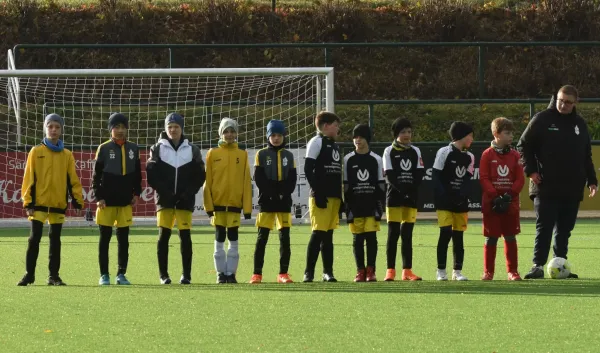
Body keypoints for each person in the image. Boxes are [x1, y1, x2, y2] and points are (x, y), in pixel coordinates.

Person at [517, 85, 597, 279]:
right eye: (561, 100)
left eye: (568, 102)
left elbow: (586, 155)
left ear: (575, 103)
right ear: (556, 98)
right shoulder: (542, 119)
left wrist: (592, 180)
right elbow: (523, 146)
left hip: (572, 186)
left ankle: (560, 263)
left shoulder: (579, 124)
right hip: (546, 185)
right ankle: (537, 266)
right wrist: (531, 171)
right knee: (544, 227)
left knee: (564, 230)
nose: (563, 105)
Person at [17, 113, 83, 286]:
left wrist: (77, 200)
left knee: (55, 240)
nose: (53, 130)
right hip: (38, 205)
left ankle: (54, 276)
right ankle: (29, 275)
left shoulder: (67, 154)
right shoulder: (36, 151)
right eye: (50, 126)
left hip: (57, 204)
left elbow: (72, 180)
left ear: (61, 130)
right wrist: (28, 202)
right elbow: (28, 178)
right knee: (34, 239)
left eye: (57, 127)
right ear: (45, 128)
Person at [146, 113, 205, 285]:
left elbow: (200, 175)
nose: (173, 130)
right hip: (164, 200)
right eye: (170, 126)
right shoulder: (156, 148)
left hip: (185, 200)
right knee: (163, 236)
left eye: (176, 127)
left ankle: (186, 275)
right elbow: (152, 174)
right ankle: (163, 275)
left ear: (182, 128)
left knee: (185, 236)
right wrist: (165, 192)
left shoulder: (192, 149)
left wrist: (187, 193)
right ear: (165, 128)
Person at [93, 113, 142, 286]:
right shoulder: (104, 148)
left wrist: (137, 193)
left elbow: (137, 174)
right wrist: (99, 197)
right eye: (116, 127)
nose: (120, 130)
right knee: (104, 239)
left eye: (123, 127)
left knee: (124, 240)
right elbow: (96, 176)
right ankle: (104, 274)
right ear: (110, 129)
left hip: (125, 202)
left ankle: (121, 274)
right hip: (106, 202)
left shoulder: (134, 148)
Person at [204, 117, 252, 284]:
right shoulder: (212, 154)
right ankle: (220, 274)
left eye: (232, 131)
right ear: (220, 133)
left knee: (233, 239)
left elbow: (246, 181)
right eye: (226, 131)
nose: (229, 134)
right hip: (217, 206)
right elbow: (208, 182)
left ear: (236, 134)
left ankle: (231, 273)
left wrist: (247, 207)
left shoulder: (242, 154)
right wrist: (208, 206)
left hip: (234, 206)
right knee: (219, 238)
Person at [249, 120, 297, 284]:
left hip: (284, 201)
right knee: (262, 237)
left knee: (285, 237)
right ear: (268, 136)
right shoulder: (261, 154)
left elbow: (292, 178)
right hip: (266, 201)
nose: (276, 138)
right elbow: (259, 178)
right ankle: (257, 274)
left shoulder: (289, 156)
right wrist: (271, 193)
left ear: (284, 136)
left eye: (279, 135)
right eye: (273, 135)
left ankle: (283, 273)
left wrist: (283, 193)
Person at [479, 117, 524, 281]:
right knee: (491, 237)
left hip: (510, 203)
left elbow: (520, 179)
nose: (511, 136)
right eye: (507, 133)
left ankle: (512, 271)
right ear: (496, 134)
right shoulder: (486, 154)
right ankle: (488, 271)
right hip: (492, 204)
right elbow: (483, 177)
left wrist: (509, 195)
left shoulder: (515, 155)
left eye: (512, 133)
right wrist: (495, 196)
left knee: (510, 236)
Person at [303, 111, 343, 283]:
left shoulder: (334, 145)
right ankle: (308, 272)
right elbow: (307, 168)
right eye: (335, 125)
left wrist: (340, 198)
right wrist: (317, 192)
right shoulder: (316, 141)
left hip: (333, 197)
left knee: (329, 236)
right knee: (318, 233)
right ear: (326, 126)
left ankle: (328, 272)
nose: (337, 129)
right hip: (320, 196)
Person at [382, 118, 423, 281]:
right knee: (393, 234)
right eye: (403, 132)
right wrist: (402, 191)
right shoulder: (388, 151)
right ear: (396, 134)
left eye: (409, 132)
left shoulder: (416, 151)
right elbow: (389, 174)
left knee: (407, 235)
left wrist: (410, 191)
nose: (407, 135)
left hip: (411, 198)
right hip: (394, 198)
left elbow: (419, 173)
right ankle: (390, 271)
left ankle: (407, 271)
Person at [433, 121, 475, 281]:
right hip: (444, 202)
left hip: (461, 203)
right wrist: (445, 196)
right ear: (461, 136)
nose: (472, 139)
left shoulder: (470, 157)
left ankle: (457, 271)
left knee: (459, 236)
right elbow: (436, 177)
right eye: (470, 136)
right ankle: (441, 271)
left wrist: (462, 196)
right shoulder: (444, 152)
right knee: (445, 233)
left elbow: (467, 180)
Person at [343, 124, 385, 282]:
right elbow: (346, 185)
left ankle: (371, 271)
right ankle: (360, 271)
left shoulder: (376, 159)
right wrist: (348, 207)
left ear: (367, 139)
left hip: (371, 205)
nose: (357, 140)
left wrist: (379, 206)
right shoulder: (348, 159)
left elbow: (381, 185)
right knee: (357, 239)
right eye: (355, 137)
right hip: (355, 206)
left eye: (360, 137)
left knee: (371, 238)